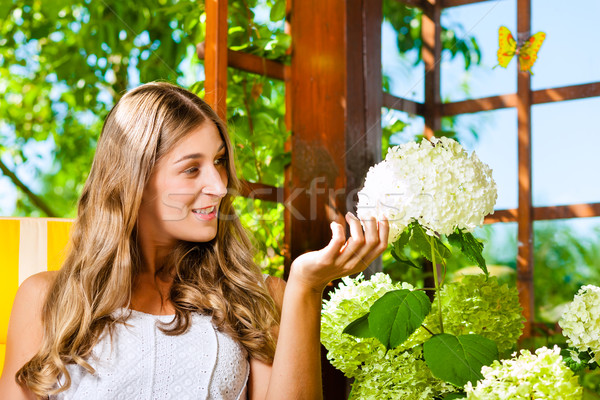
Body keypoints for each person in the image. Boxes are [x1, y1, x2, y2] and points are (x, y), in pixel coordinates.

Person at [0, 82, 388, 399]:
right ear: (134, 181)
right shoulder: (48, 299)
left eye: (219, 161)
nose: (219, 186)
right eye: (191, 169)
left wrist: (306, 286)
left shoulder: (259, 298)